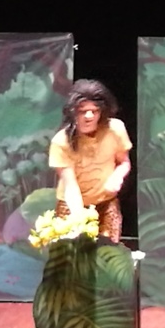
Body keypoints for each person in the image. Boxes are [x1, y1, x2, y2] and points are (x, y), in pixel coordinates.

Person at [48, 79, 132, 243]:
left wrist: (117, 177)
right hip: (71, 206)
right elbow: (71, 186)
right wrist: (80, 220)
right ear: (73, 112)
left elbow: (124, 162)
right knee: (74, 253)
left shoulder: (115, 129)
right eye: (83, 111)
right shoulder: (61, 142)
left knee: (108, 253)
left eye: (94, 111)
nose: (89, 116)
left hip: (106, 203)